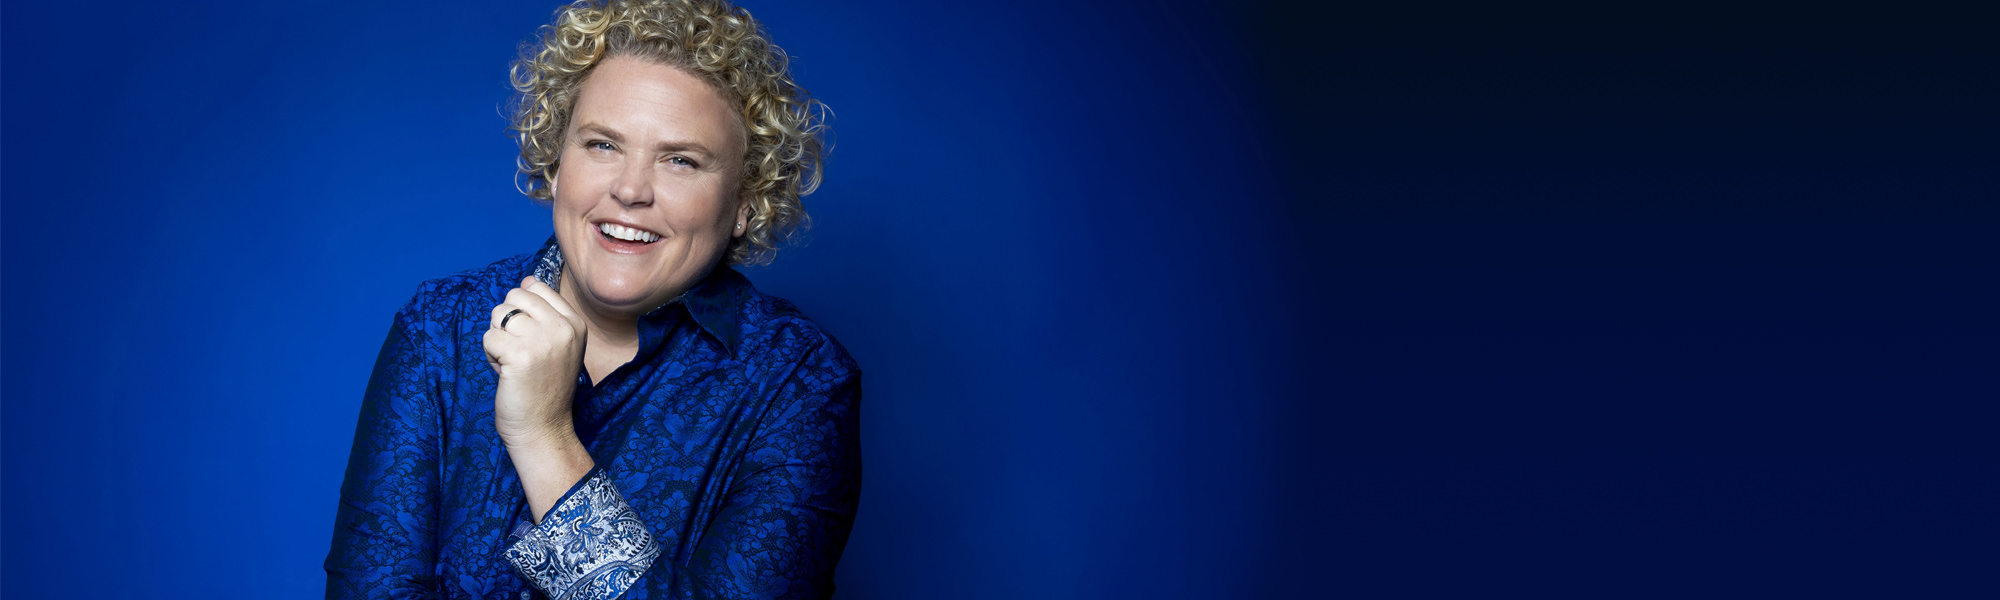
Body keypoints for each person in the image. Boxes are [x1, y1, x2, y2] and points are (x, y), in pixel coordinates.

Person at [323, 1, 858, 598]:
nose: (630, 190)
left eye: (680, 160)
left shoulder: (800, 385)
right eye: (603, 145)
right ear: (556, 162)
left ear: (745, 203)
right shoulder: (439, 333)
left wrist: (544, 436)